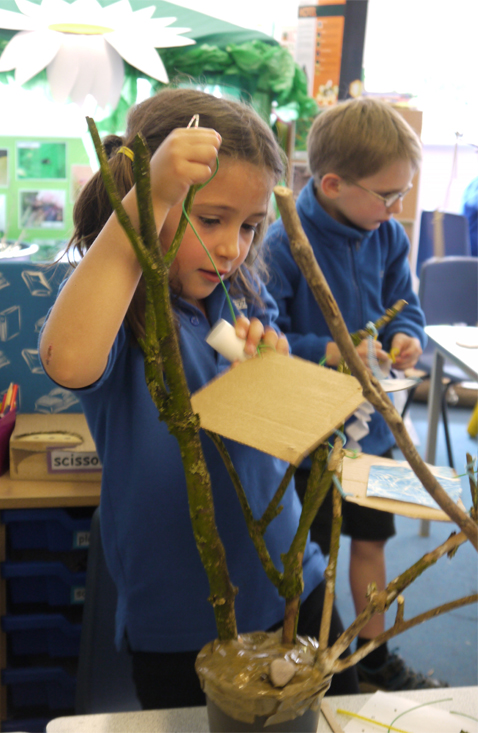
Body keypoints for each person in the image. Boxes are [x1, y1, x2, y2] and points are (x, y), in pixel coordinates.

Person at [39, 88, 358, 709]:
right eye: (210, 220)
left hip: (293, 578)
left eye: (249, 226)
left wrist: (272, 373)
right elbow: (67, 358)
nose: (233, 246)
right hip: (186, 622)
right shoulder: (127, 319)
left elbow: (260, 435)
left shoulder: (225, 303)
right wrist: (152, 199)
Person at [264, 98, 447, 692]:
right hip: (308, 433)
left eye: (402, 194)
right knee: (312, 554)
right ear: (332, 182)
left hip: (373, 425)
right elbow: (266, 339)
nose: (396, 208)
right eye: (387, 195)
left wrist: (405, 336)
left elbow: (409, 306)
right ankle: (321, 660)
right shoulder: (279, 243)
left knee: (371, 540)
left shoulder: (389, 236)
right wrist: (331, 350)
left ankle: (372, 656)